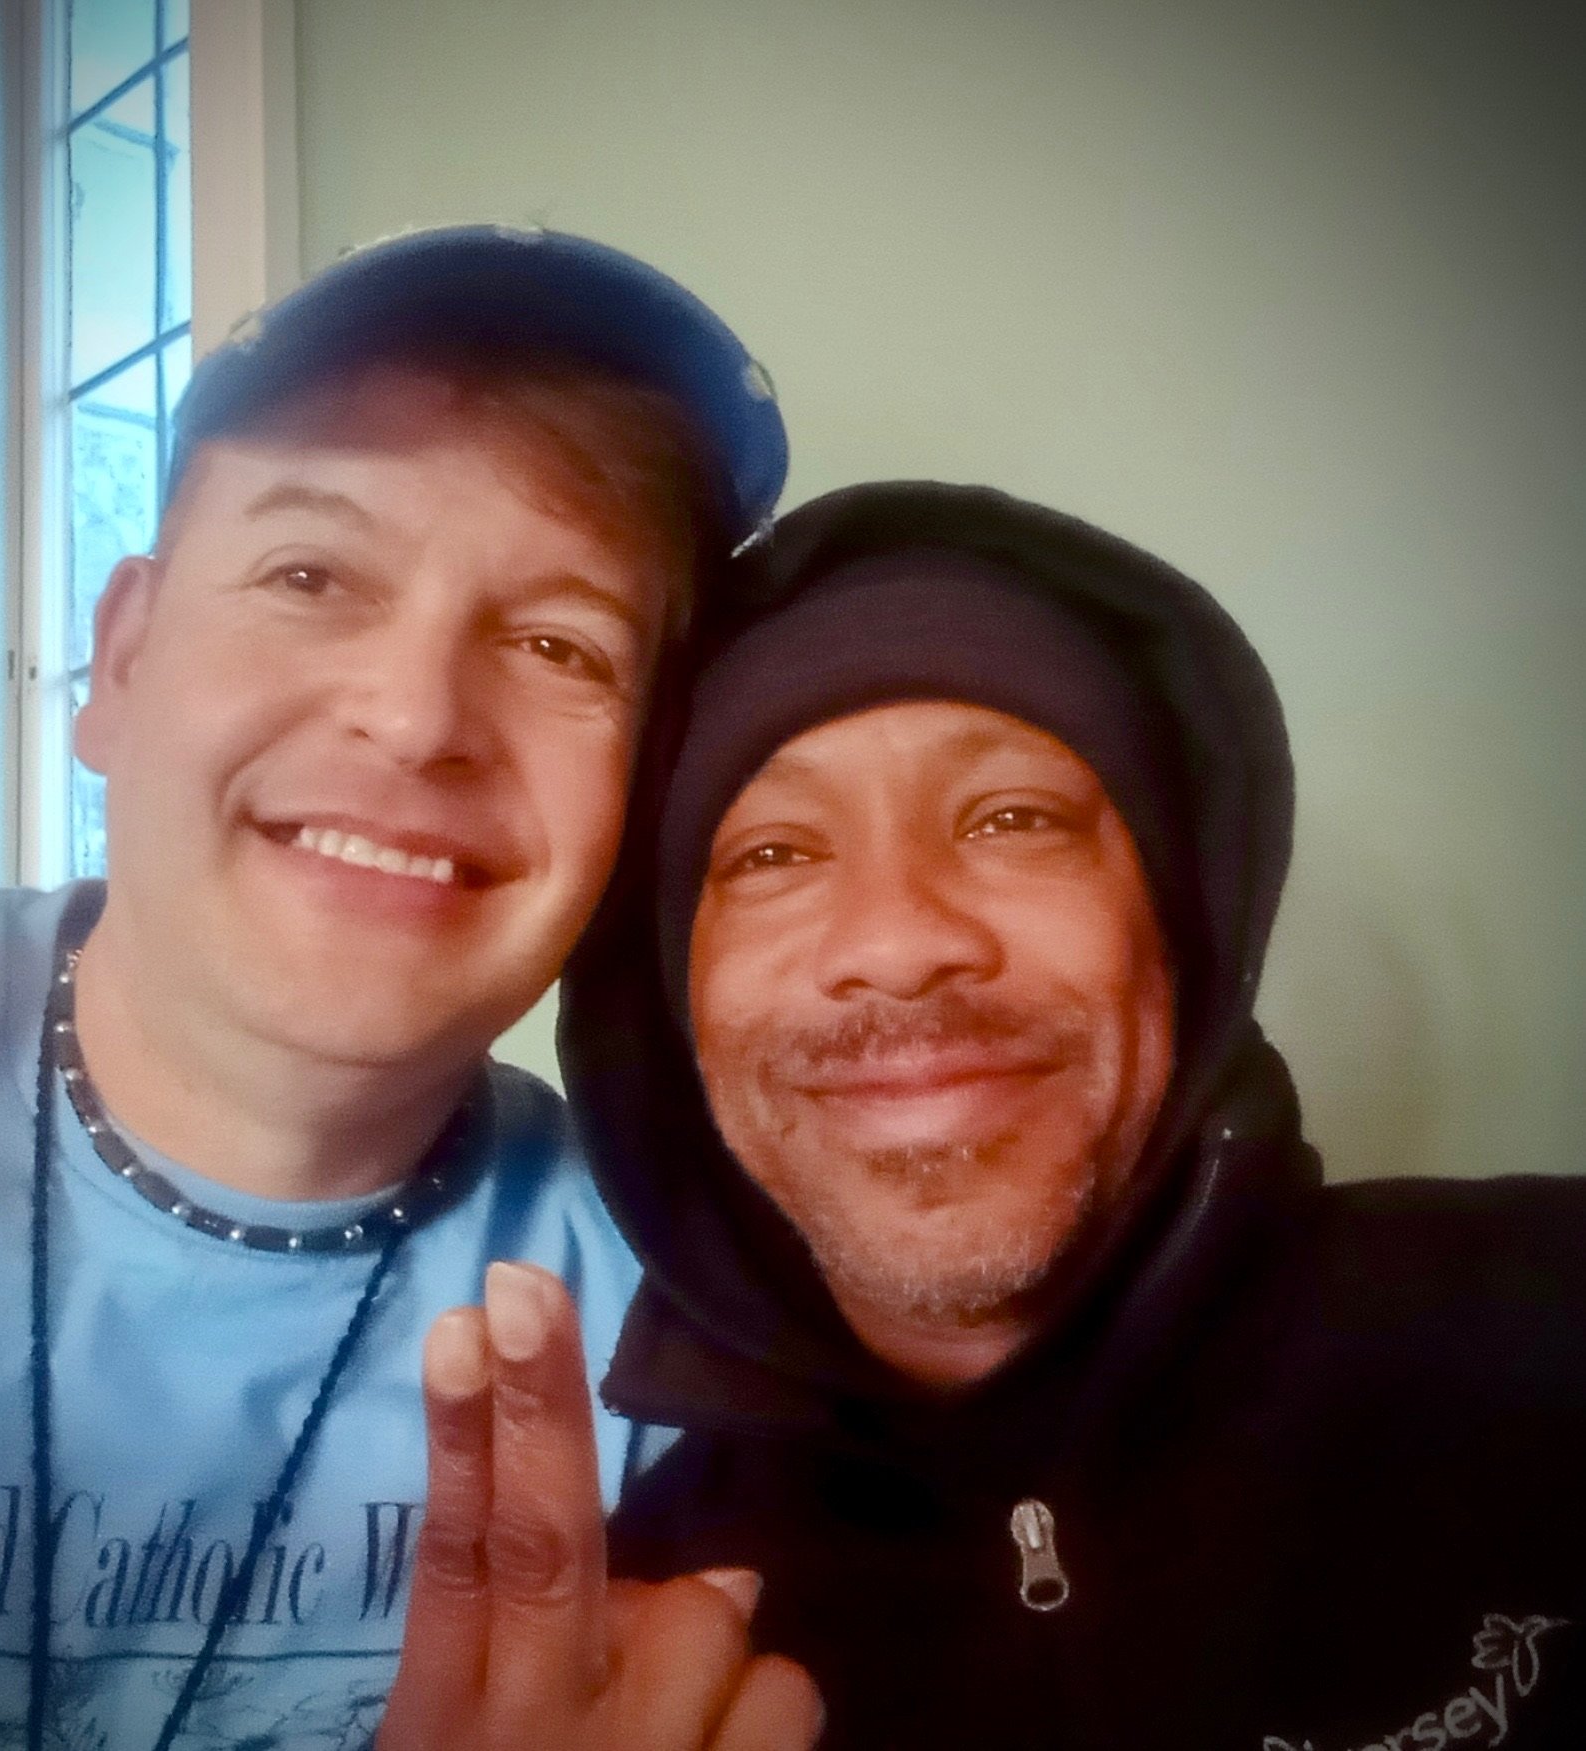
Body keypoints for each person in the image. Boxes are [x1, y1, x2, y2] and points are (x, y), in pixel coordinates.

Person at [0, 225, 793, 1750]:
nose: (416, 716)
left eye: (558, 643)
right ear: (122, 659)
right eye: (309, 573)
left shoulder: (689, 1315)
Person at [559, 480, 1586, 1750]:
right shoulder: (635, 1644)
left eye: (1012, 819)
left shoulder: (1549, 1327)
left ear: (1179, 932)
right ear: (676, 1010)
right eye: (772, 852)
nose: (895, 941)